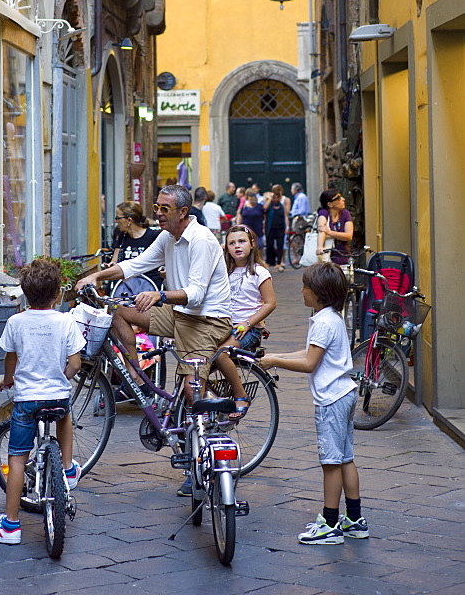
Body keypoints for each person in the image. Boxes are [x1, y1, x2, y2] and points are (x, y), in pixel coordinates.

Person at [75, 184, 247, 494]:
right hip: (180, 313)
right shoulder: (168, 237)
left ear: (183, 212)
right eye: (156, 207)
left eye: (163, 209)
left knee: (193, 392)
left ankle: (199, 462)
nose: (157, 213)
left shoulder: (202, 241)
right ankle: (138, 379)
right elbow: (135, 265)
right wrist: (96, 277)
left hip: (207, 319)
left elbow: (196, 295)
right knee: (119, 313)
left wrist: (159, 294)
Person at [0, 258, 85, 545]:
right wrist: (61, 377)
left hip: (27, 399)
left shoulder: (16, 321)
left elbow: (10, 357)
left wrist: (9, 379)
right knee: (64, 416)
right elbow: (75, 363)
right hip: (57, 394)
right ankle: (67, 468)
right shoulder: (66, 321)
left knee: (17, 458)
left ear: (25, 293)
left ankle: (11, 526)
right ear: (58, 293)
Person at [259, 262, 367, 545]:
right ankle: (355, 520)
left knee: (330, 462)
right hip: (345, 393)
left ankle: (330, 524)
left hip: (331, 400)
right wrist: (278, 355)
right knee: (345, 458)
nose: (301, 289)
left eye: (305, 286)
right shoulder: (332, 317)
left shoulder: (322, 322)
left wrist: (273, 361)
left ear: (319, 293)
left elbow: (309, 363)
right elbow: (310, 353)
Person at [217, 226, 276, 409]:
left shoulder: (259, 273)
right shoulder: (224, 271)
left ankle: (240, 395)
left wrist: (248, 323)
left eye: (242, 241)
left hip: (247, 329)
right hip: (224, 324)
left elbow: (270, 303)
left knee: (221, 354)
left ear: (252, 244)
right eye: (232, 243)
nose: (237, 246)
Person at [111, 201, 162, 284]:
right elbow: (115, 260)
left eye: (118, 218)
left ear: (129, 220)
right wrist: (112, 265)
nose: (115, 221)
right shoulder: (122, 237)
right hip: (126, 286)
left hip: (149, 285)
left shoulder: (153, 237)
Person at [316, 189, 353, 265]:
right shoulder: (324, 212)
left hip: (344, 256)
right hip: (327, 258)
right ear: (330, 204)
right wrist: (320, 247)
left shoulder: (345, 214)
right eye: (338, 198)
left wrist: (330, 232)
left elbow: (349, 236)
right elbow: (321, 230)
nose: (343, 199)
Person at [264, 184, 290, 271]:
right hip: (270, 228)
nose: (276, 199)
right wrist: (270, 199)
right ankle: (269, 261)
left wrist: (287, 227)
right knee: (269, 245)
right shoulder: (269, 203)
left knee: (280, 245)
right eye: (274, 197)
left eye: (277, 197)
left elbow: (285, 215)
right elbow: (264, 208)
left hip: (280, 228)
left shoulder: (281, 205)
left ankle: (279, 262)